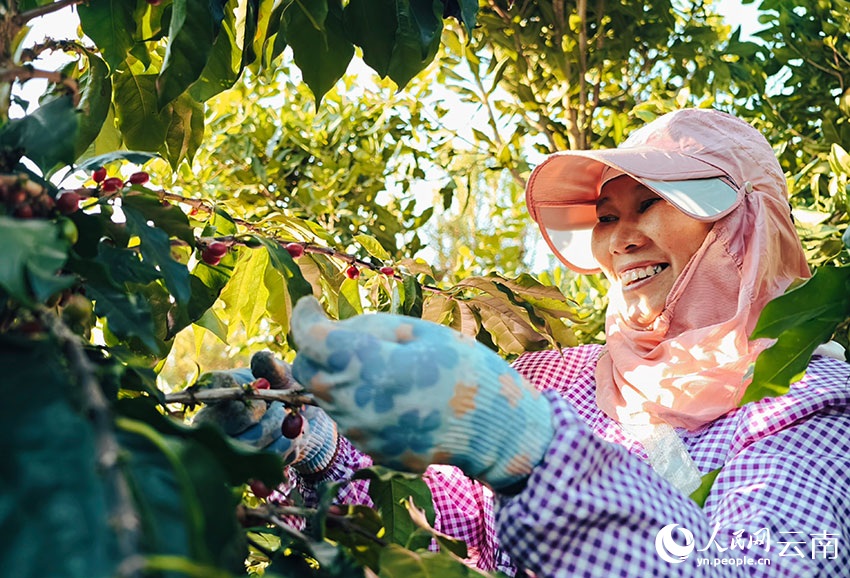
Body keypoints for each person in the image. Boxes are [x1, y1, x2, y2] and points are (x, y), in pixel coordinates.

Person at [197, 108, 850, 576]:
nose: (618, 240)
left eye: (650, 203)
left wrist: (533, 446)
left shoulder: (808, 399)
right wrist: (312, 448)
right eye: (606, 217)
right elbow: (459, 527)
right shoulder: (560, 378)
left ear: (742, 224)